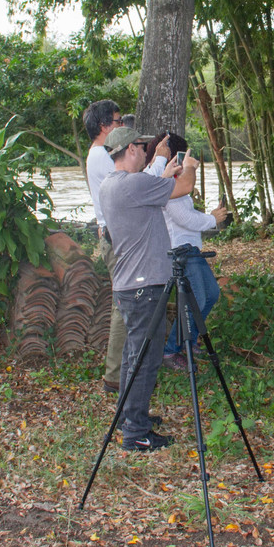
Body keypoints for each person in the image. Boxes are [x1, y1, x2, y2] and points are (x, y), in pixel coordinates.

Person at [99, 126, 197, 452]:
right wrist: (178, 163)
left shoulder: (111, 186)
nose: (145, 151)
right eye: (141, 147)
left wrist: (161, 168)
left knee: (133, 357)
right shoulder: (134, 184)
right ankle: (136, 433)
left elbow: (159, 186)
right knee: (146, 359)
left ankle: (131, 416)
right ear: (129, 149)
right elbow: (178, 188)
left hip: (130, 286)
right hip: (145, 287)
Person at [83, 100, 168, 394]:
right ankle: (117, 375)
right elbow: (138, 184)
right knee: (126, 306)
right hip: (117, 238)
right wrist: (158, 160)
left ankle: (124, 372)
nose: (122, 126)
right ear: (105, 127)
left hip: (116, 234)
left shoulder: (99, 155)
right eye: (119, 122)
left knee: (127, 304)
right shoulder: (103, 156)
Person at [144, 133, 227, 371]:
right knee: (196, 300)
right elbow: (184, 218)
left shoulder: (175, 182)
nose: (185, 159)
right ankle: (171, 350)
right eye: (182, 155)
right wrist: (213, 218)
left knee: (210, 294)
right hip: (181, 250)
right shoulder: (166, 183)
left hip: (192, 249)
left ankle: (188, 340)